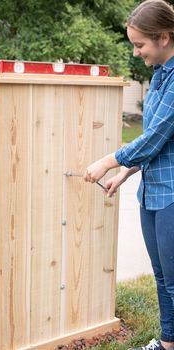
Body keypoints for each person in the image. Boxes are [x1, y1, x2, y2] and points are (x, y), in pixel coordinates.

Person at [84, 0, 174, 349]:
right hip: (152, 192)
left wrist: (108, 161)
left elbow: (153, 137)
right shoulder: (159, 75)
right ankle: (168, 344)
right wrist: (126, 173)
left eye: (140, 45)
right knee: (163, 276)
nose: (136, 52)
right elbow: (160, 142)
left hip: (171, 196)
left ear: (164, 37)